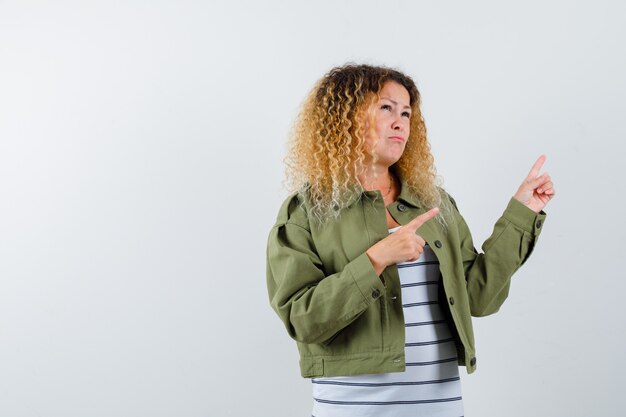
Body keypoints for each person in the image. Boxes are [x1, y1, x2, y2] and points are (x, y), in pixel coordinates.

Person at [266, 64, 554, 417]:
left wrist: (521, 212)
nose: (401, 121)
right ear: (345, 117)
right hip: (350, 409)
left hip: (438, 408)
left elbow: (478, 297)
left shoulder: (434, 203)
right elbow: (302, 318)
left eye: (406, 112)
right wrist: (375, 259)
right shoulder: (307, 211)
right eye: (386, 108)